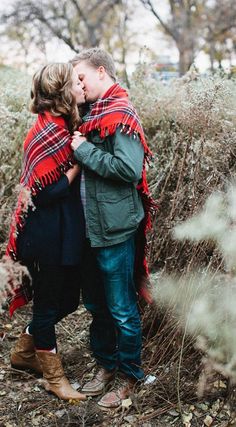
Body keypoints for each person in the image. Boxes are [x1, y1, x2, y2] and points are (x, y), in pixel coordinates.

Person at [70, 48, 155, 409]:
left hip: (116, 228)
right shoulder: (91, 114)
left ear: (101, 72)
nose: (79, 85)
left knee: (121, 307)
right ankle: (106, 367)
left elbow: (128, 170)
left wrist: (84, 150)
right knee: (96, 304)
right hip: (90, 228)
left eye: (82, 78)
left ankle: (130, 377)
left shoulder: (120, 114)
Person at [6, 63, 86, 402]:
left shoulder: (62, 126)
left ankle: (25, 352)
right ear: (61, 92)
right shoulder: (46, 133)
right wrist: (79, 162)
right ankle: (54, 378)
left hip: (61, 229)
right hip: (44, 233)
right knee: (49, 304)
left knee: (68, 298)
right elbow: (46, 191)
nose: (79, 87)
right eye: (74, 83)